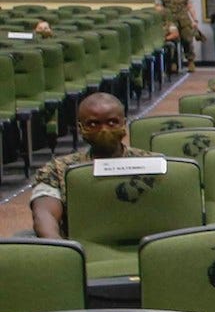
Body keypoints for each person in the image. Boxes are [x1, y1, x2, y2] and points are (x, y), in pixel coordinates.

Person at [29, 93, 159, 239]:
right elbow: (44, 214)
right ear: (80, 128)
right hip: (82, 248)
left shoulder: (154, 164)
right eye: (93, 124)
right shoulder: (57, 169)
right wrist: (62, 251)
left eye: (112, 122)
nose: (103, 130)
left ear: (124, 123)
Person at [157, 0, 195, 66]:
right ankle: (173, 63)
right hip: (170, 20)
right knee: (172, 41)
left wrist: (194, 20)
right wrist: (163, 18)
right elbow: (158, 7)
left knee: (187, 40)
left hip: (184, 19)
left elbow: (190, 6)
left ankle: (190, 61)